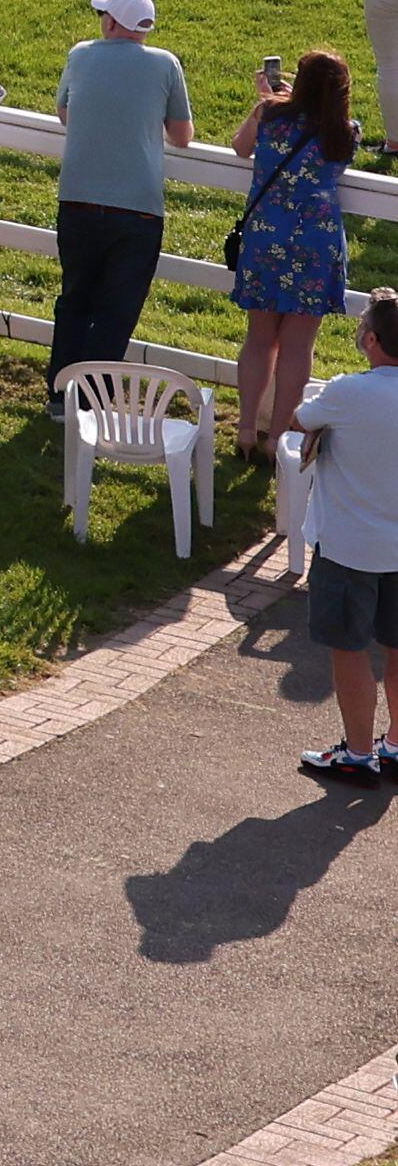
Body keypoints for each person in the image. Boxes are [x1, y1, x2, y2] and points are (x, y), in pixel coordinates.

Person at [53, 0, 196, 376]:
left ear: (112, 22)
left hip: (78, 199)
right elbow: (182, 136)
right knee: (118, 310)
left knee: (75, 300)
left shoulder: (80, 55)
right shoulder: (165, 64)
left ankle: (59, 389)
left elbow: (65, 112)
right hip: (139, 207)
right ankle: (93, 397)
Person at [234, 54, 364, 472]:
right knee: (298, 346)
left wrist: (266, 100)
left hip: (267, 234)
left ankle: (245, 430)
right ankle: (278, 439)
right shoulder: (344, 132)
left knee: (259, 338)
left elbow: (240, 148)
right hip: (316, 241)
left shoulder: (270, 115)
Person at [287, 294, 398, 780]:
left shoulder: (348, 391)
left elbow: (298, 420)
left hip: (348, 546)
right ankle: (395, 745)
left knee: (349, 649)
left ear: (371, 339)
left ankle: (357, 754)